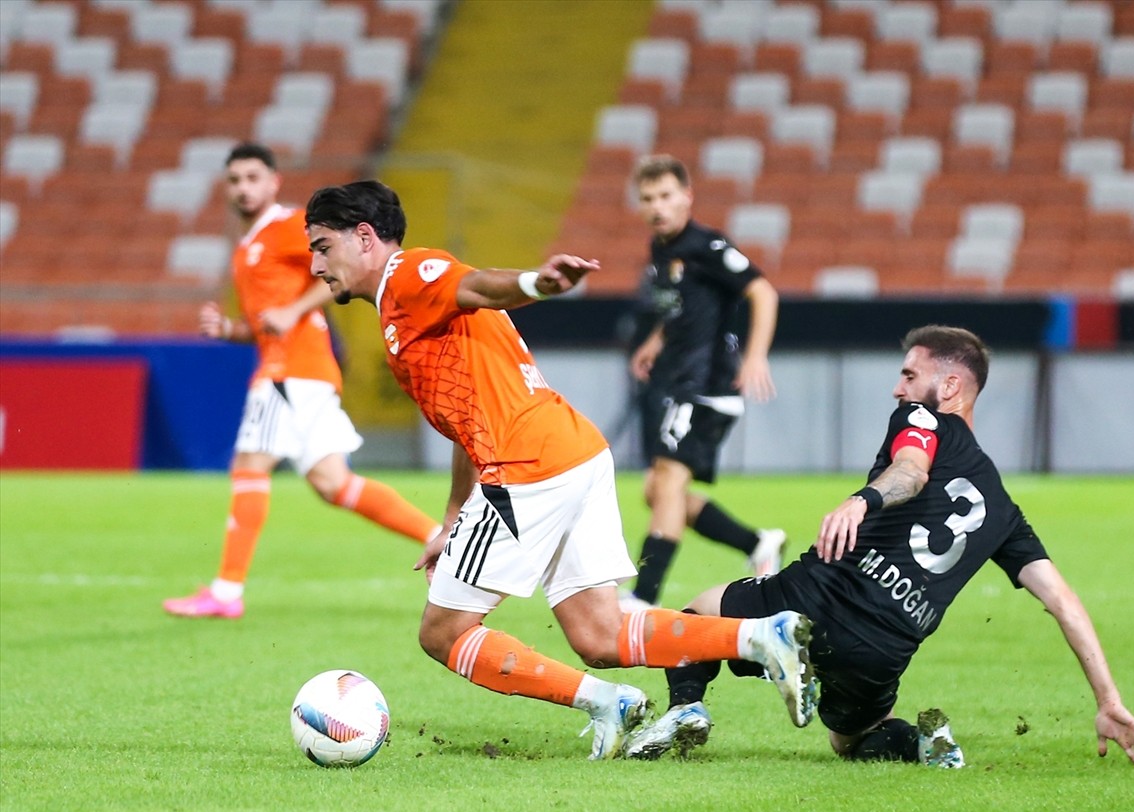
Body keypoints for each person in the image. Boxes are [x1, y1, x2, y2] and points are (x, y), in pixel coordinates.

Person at [303, 179, 818, 759]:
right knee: (599, 636)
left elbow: (476, 282)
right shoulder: (406, 310)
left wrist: (535, 283)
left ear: (365, 238)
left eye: (322, 246)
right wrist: (453, 513)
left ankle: (609, 702)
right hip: (573, 452)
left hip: (526, 468)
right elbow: (465, 416)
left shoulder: (408, 275)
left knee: (442, 632)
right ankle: (759, 636)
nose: (315, 263)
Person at [624, 325, 1134, 768]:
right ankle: (923, 742)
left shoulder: (924, 419)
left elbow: (912, 471)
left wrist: (862, 501)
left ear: (949, 386)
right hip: (883, 652)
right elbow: (1062, 602)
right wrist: (1108, 700)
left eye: (909, 374)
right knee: (850, 739)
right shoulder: (1004, 512)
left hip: (820, 597)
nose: (898, 389)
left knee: (696, 614)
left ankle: (688, 709)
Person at [163, 144, 440, 620]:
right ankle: (441, 537)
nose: (243, 188)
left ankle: (226, 593)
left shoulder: (287, 227)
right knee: (334, 484)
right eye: (234, 179)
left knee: (249, 466)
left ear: (273, 182)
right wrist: (230, 330)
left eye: (253, 177)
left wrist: (294, 309)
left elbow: (335, 270)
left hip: (289, 371)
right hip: (303, 371)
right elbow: (264, 322)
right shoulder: (249, 245)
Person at [622, 154, 786, 613]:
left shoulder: (706, 246)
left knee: (669, 483)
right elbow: (682, 306)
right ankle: (757, 542)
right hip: (678, 381)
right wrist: (656, 339)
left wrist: (755, 356)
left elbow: (763, 291)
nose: (658, 206)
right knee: (656, 491)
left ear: (687, 197)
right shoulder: (663, 248)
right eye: (649, 198)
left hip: (707, 386)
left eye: (667, 196)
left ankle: (643, 597)